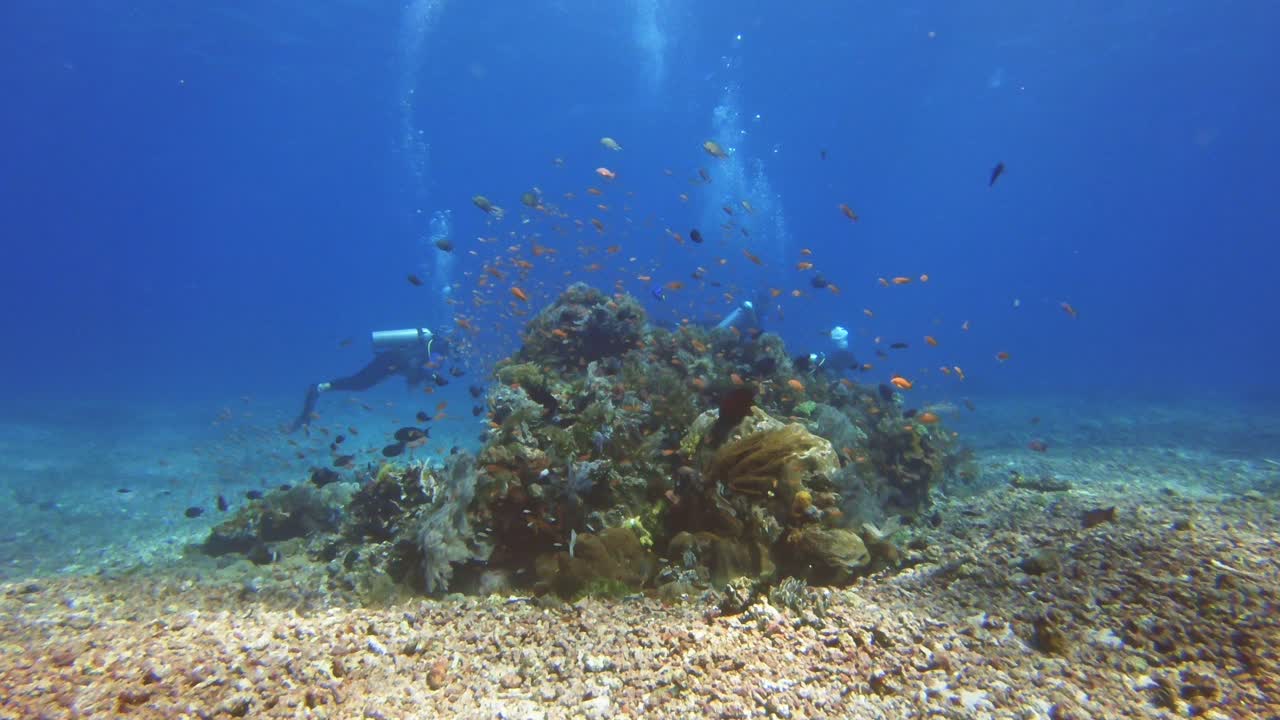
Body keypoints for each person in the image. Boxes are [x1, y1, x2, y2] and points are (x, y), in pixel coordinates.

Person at [290, 327, 446, 431]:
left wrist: (425, 376)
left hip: (389, 362)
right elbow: (414, 369)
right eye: (441, 358)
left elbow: (415, 368)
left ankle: (320, 389)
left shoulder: (428, 347)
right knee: (359, 383)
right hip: (387, 362)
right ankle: (319, 387)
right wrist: (424, 378)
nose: (441, 361)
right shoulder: (430, 350)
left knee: (359, 383)